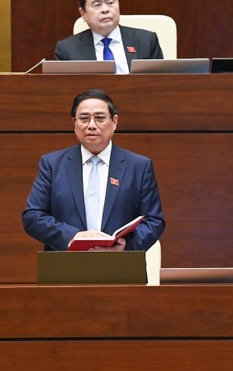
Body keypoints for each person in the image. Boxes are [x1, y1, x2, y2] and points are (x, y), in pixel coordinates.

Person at [22, 89, 165, 251]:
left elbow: (154, 221)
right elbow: (32, 216)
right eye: (84, 118)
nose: (91, 125)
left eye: (99, 118)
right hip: (65, 266)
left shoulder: (139, 166)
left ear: (115, 121)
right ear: (74, 123)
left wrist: (126, 245)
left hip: (121, 266)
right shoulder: (52, 164)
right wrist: (73, 236)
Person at [54, 0, 163, 73]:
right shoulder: (67, 50)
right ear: (83, 13)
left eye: (110, 3)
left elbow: (161, 84)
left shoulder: (147, 41)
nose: (105, 9)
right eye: (97, 5)